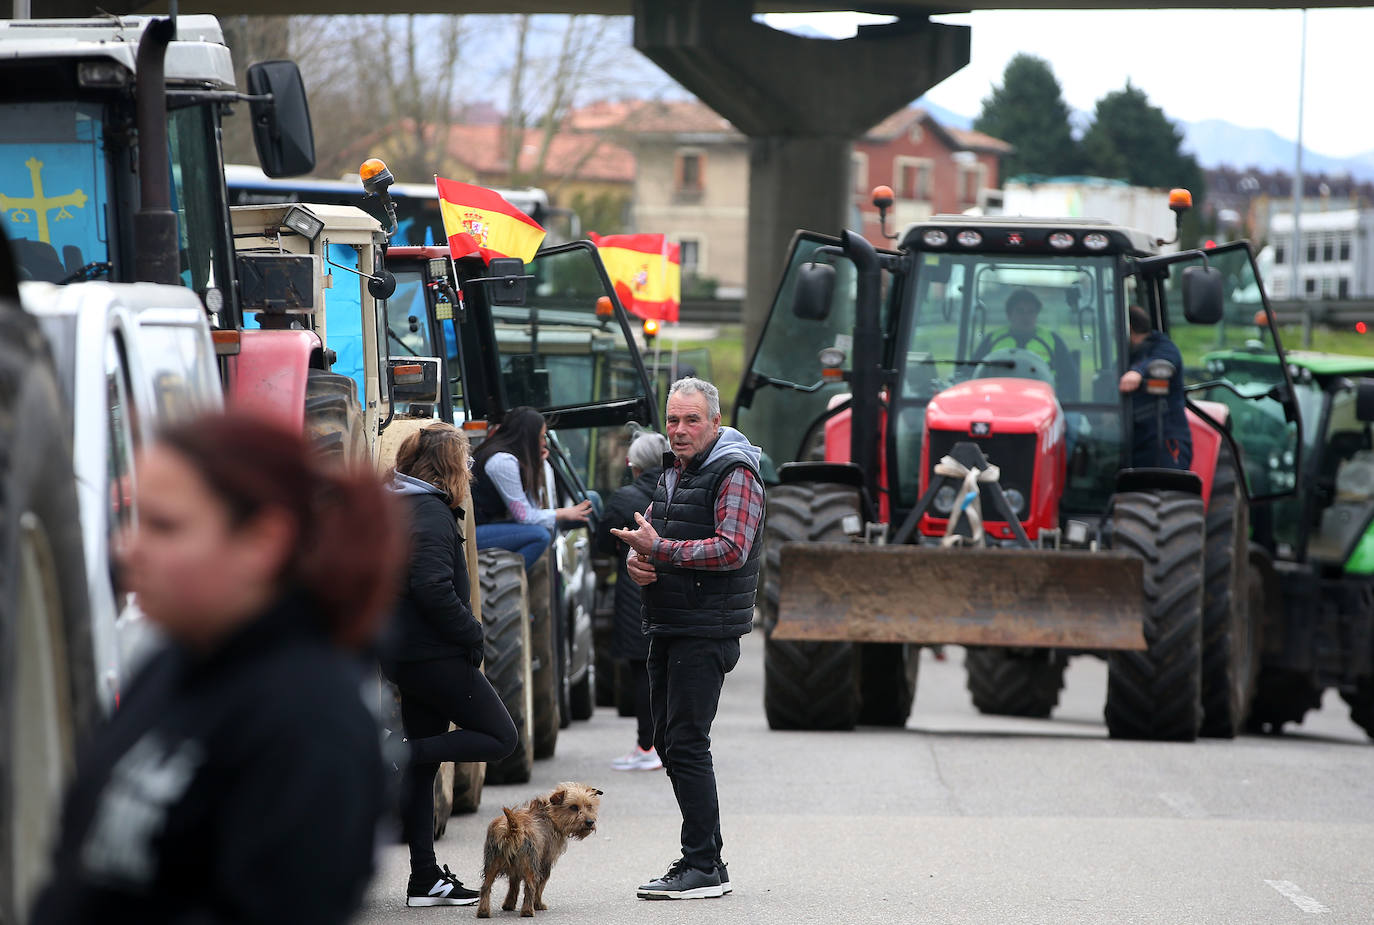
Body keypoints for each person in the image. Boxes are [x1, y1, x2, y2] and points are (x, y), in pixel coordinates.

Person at [31, 412, 404, 925]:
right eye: (134, 519)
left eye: (165, 526)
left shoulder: (310, 720)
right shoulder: (172, 662)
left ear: (263, 540)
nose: (127, 548)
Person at [611, 377, 764, 901]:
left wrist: (664, 551)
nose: (679, 430)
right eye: (673, 420)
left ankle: (701, 865)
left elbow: (732, 548)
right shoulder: (675, 473)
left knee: (687, 743)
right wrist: (638, 559)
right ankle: (708, 860)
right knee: (672, 742)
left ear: (715, 422)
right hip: (670, 623)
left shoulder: (735, 472)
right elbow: (651, 539)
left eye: (691, 419)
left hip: (706, 627)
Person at [383, 422, 520, 907]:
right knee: (501, 738)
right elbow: (432, 588)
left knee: (426, 759)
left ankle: (424, 878)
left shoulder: (400, 503)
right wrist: (473, 631)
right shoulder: (429, 512)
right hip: (435, 654)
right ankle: (392, 754)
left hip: (409, 654)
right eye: (464, 461)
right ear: (446, 467)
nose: (469, 469)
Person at [595, 429, 671, 772]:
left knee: (644, 669)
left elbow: (602, 542)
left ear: (633, 465)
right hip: (680, 585)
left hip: (635, 591)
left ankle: (647, 745)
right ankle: (667, 744)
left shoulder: (625, 497)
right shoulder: (680, 491)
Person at [471, 406, 591, 568]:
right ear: (528, 438)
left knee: (590, 503)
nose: (544, 443)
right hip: (472, 532)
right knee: (539, 536)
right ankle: (511, 579)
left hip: (485, 526)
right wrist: (563, 513)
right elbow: (525, 517)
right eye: (541, 437)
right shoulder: (503, 462)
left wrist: (536, 466)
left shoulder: (510, 457)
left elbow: (533, 508)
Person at [1120, 304, 1193, 469]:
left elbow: (1164, 360)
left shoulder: (1163, 347)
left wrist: (1137, 373)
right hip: (1134, 439)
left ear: (1128, 329)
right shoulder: (1128, 355)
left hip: (1163, 441)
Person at [971, 287, 1075, 388]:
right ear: (1009, 314)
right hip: (999, 398)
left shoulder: (1053, 340)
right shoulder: (992, 339)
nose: (1026, 317)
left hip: (1040, 400)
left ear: (1037, 314)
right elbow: (972, 373)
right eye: (1020, 311)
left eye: (1031, 312)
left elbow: (1069, 380)